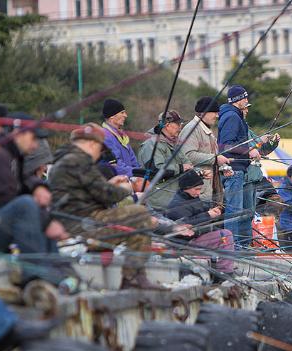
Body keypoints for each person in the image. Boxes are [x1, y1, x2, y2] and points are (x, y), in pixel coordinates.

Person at [48, 123, 162, 290]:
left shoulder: (67, 160)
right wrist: (126, 188)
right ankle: (133, 277)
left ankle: (134, 277)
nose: (99, 154)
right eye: (100, 150)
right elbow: (106, 195)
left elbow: (91, 192)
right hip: (83, 226)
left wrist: (109, 184)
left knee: (137, 218)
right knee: (139, 214)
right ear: (92, 144)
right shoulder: (78, 161)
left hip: (79, 222)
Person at [0, 118, 65, 254]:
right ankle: (39, 271)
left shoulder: (12, 156)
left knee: (38, 208)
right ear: (17, 133)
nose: (35, 146)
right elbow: (2, 200)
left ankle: (59, 270)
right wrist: (46, 223)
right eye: (33, 138)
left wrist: (38, 187)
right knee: (27, 205)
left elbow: (22, 182)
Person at [166, 170, 235, 276]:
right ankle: (225, 273)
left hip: (195, 239)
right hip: (184, 244)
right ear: (186, 187)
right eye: (196, 189)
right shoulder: (176, 205)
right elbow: (188, 225)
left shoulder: (192, 197)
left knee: (224, 234)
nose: (198, 192)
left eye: (200, 189)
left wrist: (214, 210)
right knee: (225, 235)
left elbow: (200, 210)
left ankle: (221, 270)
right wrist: (208, 215)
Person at [218, 85, 261, 242]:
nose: (247, 101)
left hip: (238, 169)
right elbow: (226, 145)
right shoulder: (232, 117)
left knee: (238, 211)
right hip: (234, 170)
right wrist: (248, 151)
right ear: (238, 100)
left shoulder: (234, 116)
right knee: (234, 211)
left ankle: (238, 246)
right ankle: (231, 247)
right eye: (245, 98)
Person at [137, 110, 195, 210]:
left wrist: (200, 173)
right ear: (167, 125)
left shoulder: (173, 144)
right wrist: (181, 168)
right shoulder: (151, 144)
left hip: (173, 200)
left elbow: (187, 163)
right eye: (178, 124)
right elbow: (155, 169)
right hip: (157, 201)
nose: (180, 128)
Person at [240, 104, 280, 246]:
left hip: (254, 178)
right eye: (245, 108)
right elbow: (245, 148)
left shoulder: (248, 130)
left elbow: (261, 150)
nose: (247, 110)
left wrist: (272, 143)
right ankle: (242, 245)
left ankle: (246, 245)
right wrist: (259, 141)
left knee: (249, 214)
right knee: (243, 215)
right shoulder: (236, 130)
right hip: (244, 178)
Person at [179, 96, 231, 203]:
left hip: (210, 190)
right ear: (203, 113)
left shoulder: (206, 130)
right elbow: (188, 155)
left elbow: (210, 158)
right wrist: (215, 159)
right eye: (214, 112)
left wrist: (222, 169)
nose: (217, 116)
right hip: (198, 193)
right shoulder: (191, 129)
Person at [101, 98, 140, 177]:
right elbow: (116, 164)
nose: (125, 115)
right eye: (122, 112)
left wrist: (141, 174)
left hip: (130, 179)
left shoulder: (122, 135)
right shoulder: (105, 136)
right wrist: (137, 173)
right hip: (118, 182)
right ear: (112, 116)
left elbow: (133, 160)